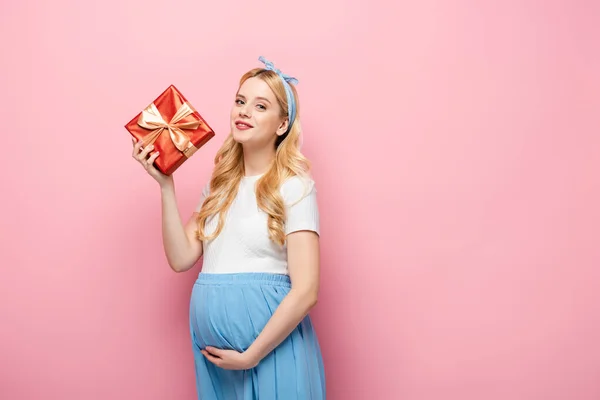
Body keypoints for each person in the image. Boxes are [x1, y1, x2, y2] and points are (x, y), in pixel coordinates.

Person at [131, 56, 326, 399]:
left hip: (269, 355)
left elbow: (306, 290)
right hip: (218, 363)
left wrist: (251, 356)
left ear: (282, 124)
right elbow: (180, 258)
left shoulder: (295, 187)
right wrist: (166, 185)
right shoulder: (220, 187)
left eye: (260, 105)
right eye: (240, 101)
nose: (244, 111)